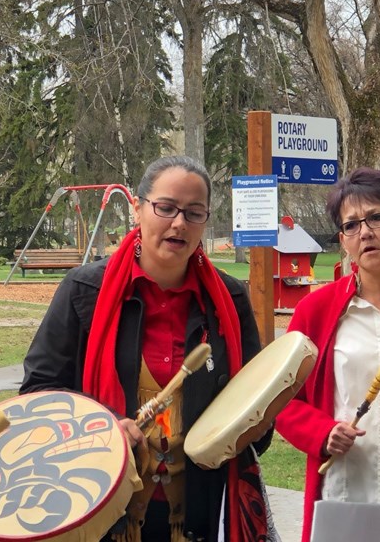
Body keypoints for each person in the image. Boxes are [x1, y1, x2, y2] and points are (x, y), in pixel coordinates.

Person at [20, 156, 275, 542]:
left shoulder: (230, 299)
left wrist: (265, 413)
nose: (179, 223)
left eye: (194, 212)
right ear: (138, 209)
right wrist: (103, 427)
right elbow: (38, 393)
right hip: (101, 504)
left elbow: (255, 411)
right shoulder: (83, 291)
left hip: (201, 511)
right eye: (166, 208)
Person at [275, 167, 380, 542]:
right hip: (346, 496)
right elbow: (282, 401)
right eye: (351, 225)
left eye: (376, 217)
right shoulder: (315, 311)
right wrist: (322, 432)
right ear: (343, 240)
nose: (365, 231)